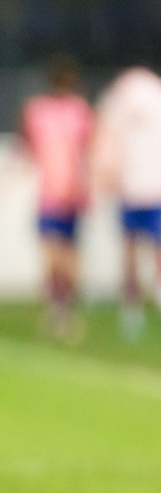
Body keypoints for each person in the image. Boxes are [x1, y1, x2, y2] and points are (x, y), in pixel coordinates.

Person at [17, 54, 94, 343]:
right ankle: (62, 309)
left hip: (61, 194)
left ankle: (62, 309)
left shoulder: (56, 111)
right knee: (62, 256)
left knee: (60, 257)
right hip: (64, 193)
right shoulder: (67, 111)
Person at [92, 63, 161, 341]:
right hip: (140, 188)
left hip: (143, 188)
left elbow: (106, 139)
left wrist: (105, 172)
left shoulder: (120, 98)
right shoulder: (131, 98)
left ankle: (135, 305)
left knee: (135, 250)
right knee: (139, 251)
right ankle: (135, 304)